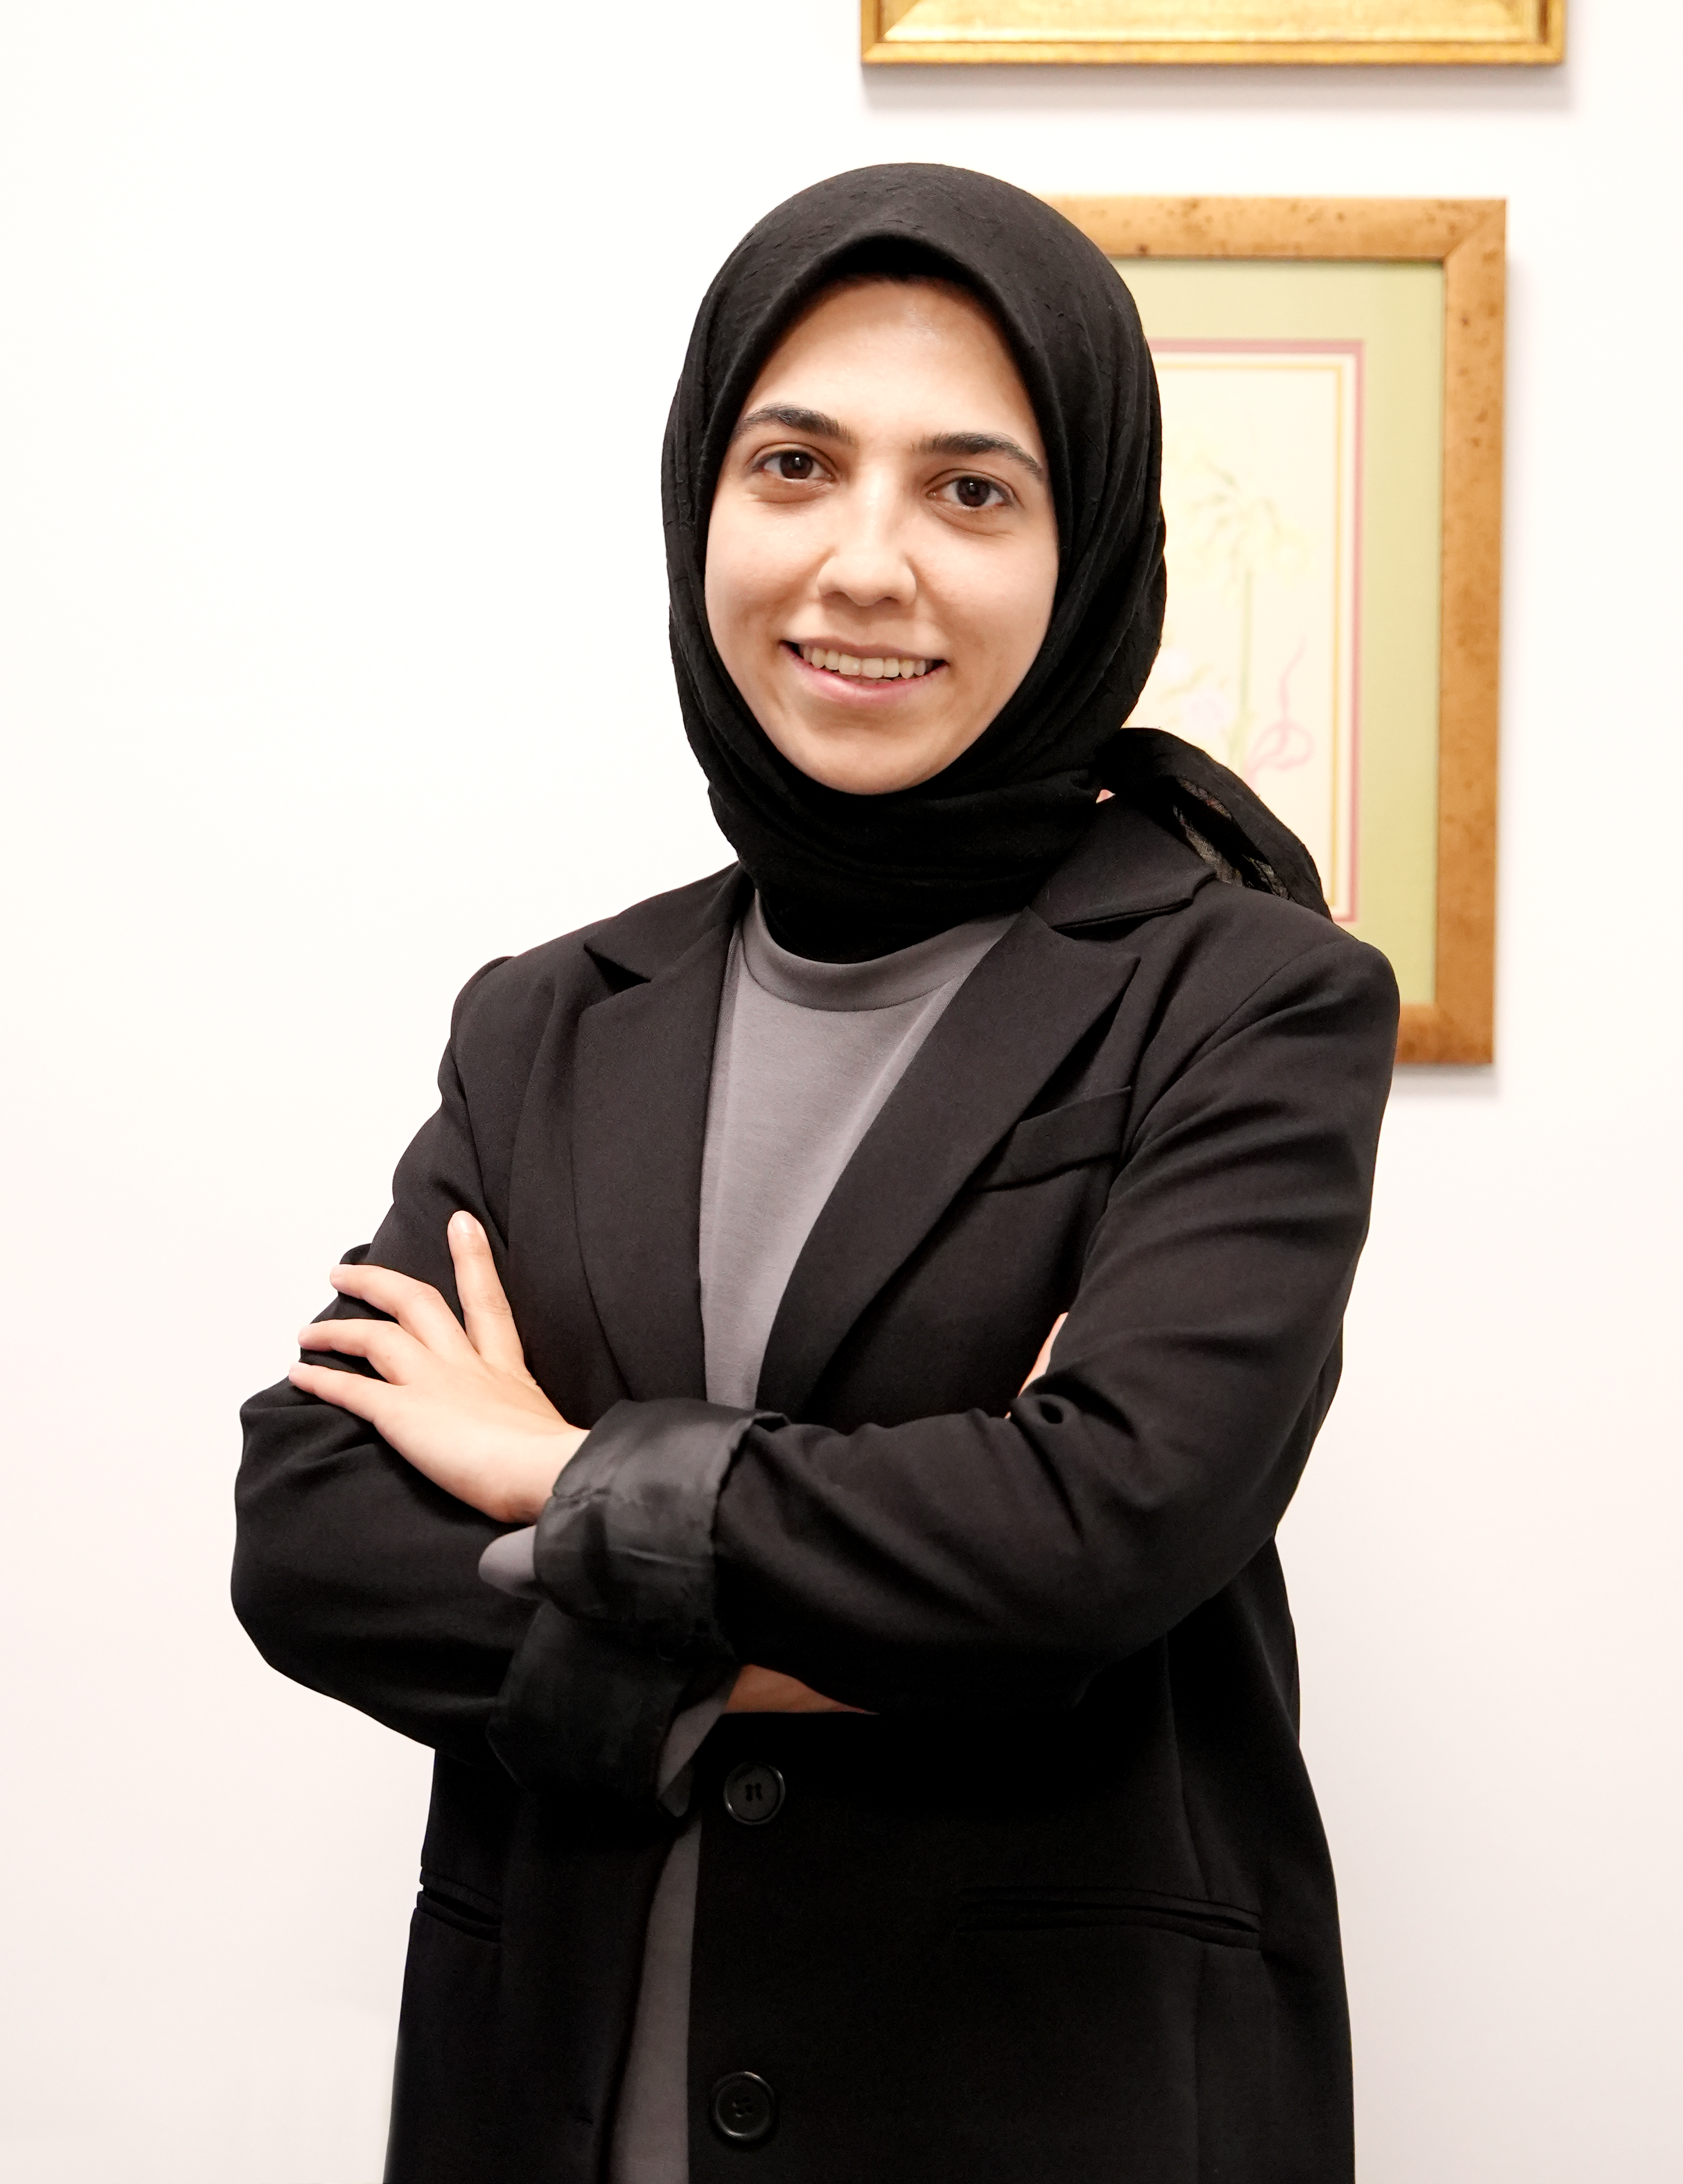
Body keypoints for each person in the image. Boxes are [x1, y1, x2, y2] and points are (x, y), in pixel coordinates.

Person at [234, 163, 1400, 2184]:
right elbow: (314, 1534)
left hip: (1049, 2115)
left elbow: (1095, 1540)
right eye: (794, 467)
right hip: (553, 2106)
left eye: (971, 491)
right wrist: (864, 1634)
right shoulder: (549, 1020)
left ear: (1087, 549)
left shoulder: (1245, 1000)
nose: (867, 564)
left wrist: (551, 1469)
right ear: (702, 503)